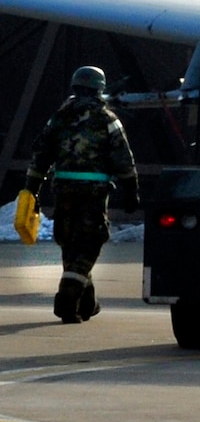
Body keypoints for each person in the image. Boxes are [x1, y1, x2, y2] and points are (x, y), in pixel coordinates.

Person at [24, 66, 138, 324]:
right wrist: (132, 189)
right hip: (93, 192)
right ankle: (66, 299)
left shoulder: (59, 118)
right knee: (89, 243)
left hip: (63, 189)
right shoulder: (107, 119)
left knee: (71, 242)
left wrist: (32, 188)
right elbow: (123, 157)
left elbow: (41, 154)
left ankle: (86, 304)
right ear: (100, 88)